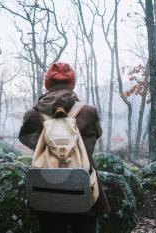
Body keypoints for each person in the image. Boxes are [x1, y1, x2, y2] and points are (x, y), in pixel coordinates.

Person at [18, 62, 110, 233]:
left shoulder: (32, 115)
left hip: (47, 185)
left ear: (47, 84)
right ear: (72, 83)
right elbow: (97, 135)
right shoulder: (89, 112)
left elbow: (25, 139)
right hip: (83, 185)